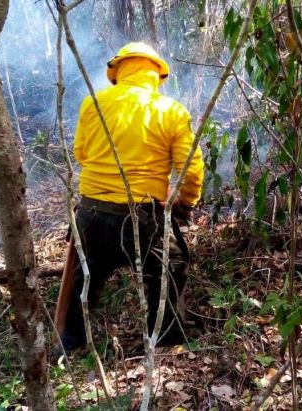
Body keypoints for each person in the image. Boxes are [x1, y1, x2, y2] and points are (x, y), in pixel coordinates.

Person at [60, 42, 204, 351]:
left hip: (91, 212)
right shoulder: (171, 110)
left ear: (118, 72)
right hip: (143, 217)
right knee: (171, 266)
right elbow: (191, 169)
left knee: (85, 276)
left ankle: (71, 342)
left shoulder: (92, 104)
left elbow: (81, 153)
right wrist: (186, 202)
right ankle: (166, 338)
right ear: (156, 75)